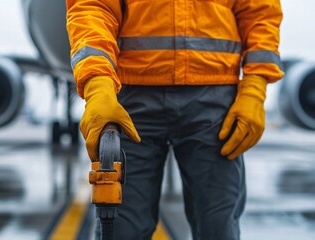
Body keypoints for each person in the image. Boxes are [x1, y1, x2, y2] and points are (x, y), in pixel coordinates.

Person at [66, 0, 283, 239]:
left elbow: (261, 11)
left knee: (218, 228)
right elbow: (93, 7)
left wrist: (255, 87)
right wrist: (98, 84)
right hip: (132, 97)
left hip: (213, 99)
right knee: (121, 230)